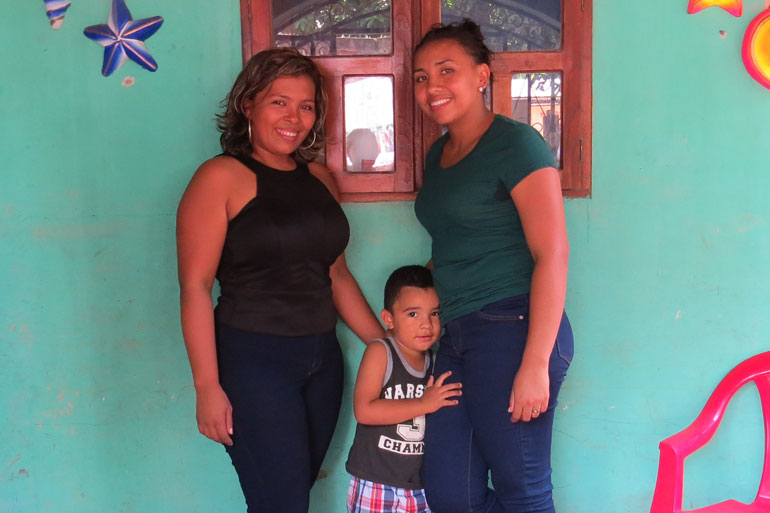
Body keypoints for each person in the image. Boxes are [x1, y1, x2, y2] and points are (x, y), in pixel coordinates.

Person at [176, 48, 384, 513]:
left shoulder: (319, 179)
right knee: (283, 503)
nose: (294, 117)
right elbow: (194, 287)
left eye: (306, 105)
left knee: (286, 499)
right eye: (279, 102)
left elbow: (337, 275)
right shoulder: (220, 177)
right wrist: (207, 387)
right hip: (253, 364)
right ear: (248, 105)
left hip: (322, 363)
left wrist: (386, 346)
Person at [411, 20, 574, 513]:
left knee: (522, 491)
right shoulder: (438, 154)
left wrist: (534, 365)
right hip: (458, 335)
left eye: (446, 71)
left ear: (482, 76)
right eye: (420, 77)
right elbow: (455, 239)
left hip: (513, 328)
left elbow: (553, 253)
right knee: (450, 493)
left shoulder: (516, 143)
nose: (431, 87)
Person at [345, 265, 462, 513]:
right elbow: (364, 411)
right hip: (376, 482)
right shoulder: (381, 352)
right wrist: (422, 404)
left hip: (420, 485)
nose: (426, 325)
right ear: (389, 319)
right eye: (413, 314)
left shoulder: (436, 361)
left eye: (434, 313)